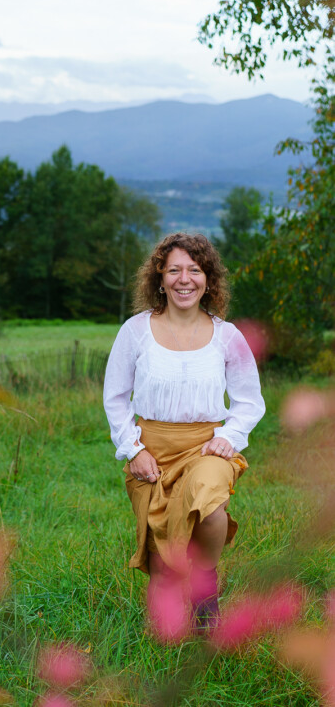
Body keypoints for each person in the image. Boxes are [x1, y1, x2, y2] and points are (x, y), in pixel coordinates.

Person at [103, 232, 265, 632]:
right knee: (162, 561)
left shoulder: (227, 336)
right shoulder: (135, 331)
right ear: (160, 278)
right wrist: (133, 449)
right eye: (174, 270)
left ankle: (205, 587)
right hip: (151, 453)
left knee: (210, 505)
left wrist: (229, 437)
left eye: (194, 270)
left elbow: (249, 400)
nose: (184, 279)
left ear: (208, 279)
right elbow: (116, 398)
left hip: (207, 448)